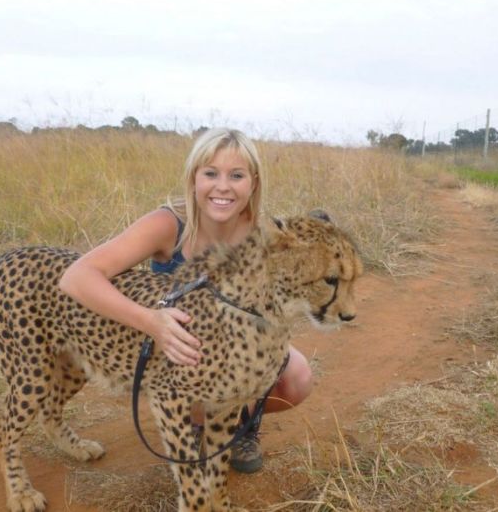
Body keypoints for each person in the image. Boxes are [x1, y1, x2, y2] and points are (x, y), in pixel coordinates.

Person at [59, 127, 313, 473]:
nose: (222, 187)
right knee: (198, 382)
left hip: (229, 349)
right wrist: (150, 321)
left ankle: (237, 426)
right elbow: (76, 277)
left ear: (252, 183)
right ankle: (195, 426)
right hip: (176, 351)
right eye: (211, 173)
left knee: (295, 376)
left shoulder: (262, 235)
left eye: (236, 175)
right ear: (193, 179)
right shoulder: (169, 224)